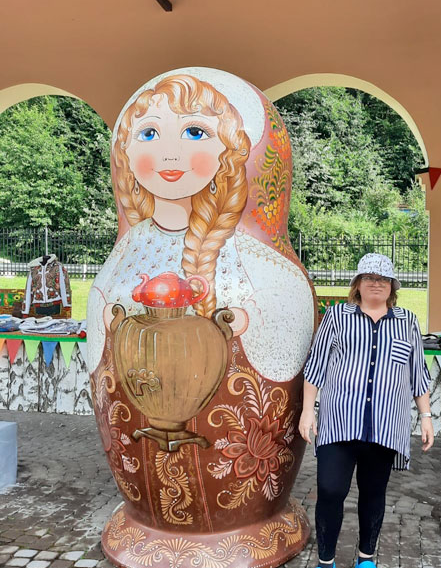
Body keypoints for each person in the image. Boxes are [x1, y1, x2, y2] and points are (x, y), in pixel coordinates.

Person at [87, 69, 314, 382]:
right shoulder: (130, 245)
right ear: (123, 153)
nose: (169, 154)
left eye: (194, 132)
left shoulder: (250, 251)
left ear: (234, 151)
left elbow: (284, 300)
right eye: (149, 133)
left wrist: (248, 316)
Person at [297, 253, 434, 568]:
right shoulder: (338, 318)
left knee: (374, 493)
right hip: (339, 419)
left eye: (384, 279)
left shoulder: (407, 322)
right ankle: (325, 565)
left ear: (393, 287)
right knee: (330, 489)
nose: (377, 283)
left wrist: (427, 417)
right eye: (369, 277)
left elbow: (417, 372)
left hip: (385, 425)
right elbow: (316, 364)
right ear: (357, 284)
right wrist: (307, 412)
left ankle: (366, 560)